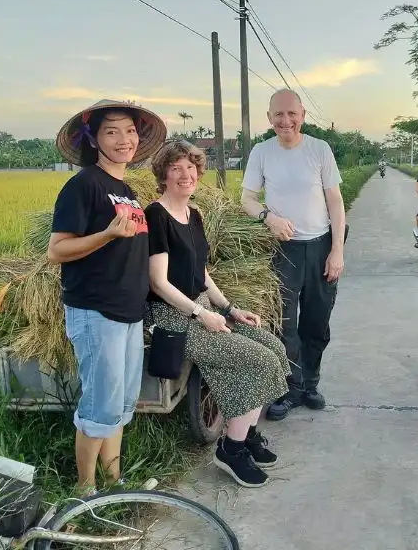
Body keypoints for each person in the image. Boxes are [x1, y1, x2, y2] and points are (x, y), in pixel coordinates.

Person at [145, 140, 291, 488]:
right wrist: (202, 315)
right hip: (174, 318)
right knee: (259, 361)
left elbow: (202, 272)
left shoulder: (193, 214)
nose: (185, 174)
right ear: (163, 174)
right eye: (176, 168)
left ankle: (246, 434)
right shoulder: (156, 215)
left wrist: (229, 309)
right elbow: (159, 282)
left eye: (191, 167)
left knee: (273, 346)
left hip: (203, 309)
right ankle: (231, 449)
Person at [47, 99, 167, 495]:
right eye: (111, 131)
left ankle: (114, 482)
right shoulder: (83, 185)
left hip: (128, 312)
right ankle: (85, 492)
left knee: (118, 405)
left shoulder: (127, 190)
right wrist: (108, 235)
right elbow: (57, 251)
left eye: (130, 130)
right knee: (99, 404)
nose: (124, 139)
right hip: (96, 311)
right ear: (93, 139)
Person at [240, 88, 347, 421]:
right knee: (283, 324)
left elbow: (335, 202)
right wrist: (268, 218)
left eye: (291, 114)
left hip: (320, 247)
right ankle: (287, 389)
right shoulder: (261, 152)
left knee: (317, 322)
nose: (285, 121)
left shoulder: (319, 149)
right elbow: (247, 199)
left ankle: (310, 385)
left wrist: (337, 251)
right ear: (269, 117)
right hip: (281, 250)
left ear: (302, 114)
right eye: (278, 115)